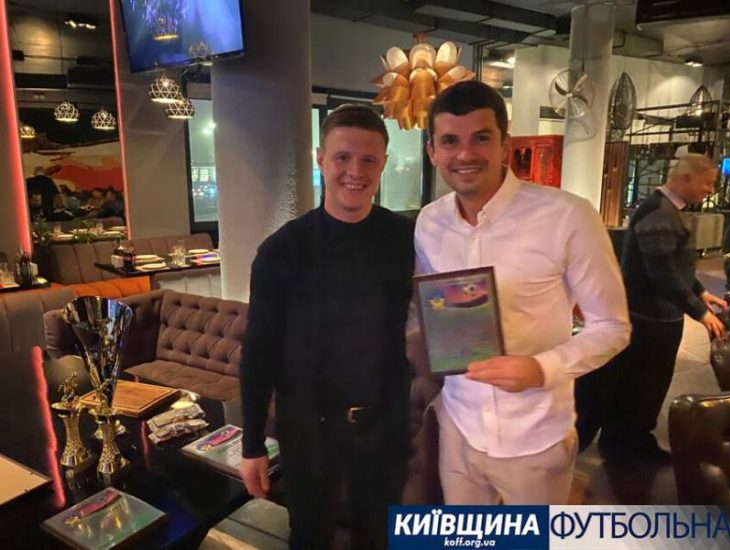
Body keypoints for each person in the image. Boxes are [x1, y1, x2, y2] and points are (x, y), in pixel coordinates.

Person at [414, 80, 630, 504]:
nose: (465, 154)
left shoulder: (567, 216)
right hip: (458, 425)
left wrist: (542, 367)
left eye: (481, 138)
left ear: (504, 145)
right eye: (450, 141)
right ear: (433, 151)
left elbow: (613, 326)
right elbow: (432, 306)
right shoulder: (429, 222)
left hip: (535, 436)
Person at [238, 104, 415, 549]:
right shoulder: (281, 251)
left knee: (379, 539)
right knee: (310, 538)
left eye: (369, 159)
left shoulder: (407, 239)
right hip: (308, 433)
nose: (355, 171)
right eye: (342, 157)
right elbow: (258, 354)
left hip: (385, 428)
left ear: (384, 164)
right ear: (320, 158)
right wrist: (252, 445)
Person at [575, 153, 726, 463]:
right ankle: (628, 445)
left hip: (655, 316)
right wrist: (698, 311)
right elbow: (661, 273)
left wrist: (700, 292)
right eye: (707, 183)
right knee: (645, 385)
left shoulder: (666, 210)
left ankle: (623, 441)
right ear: (686, 178)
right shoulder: (660, 213)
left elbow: (674, 264)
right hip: (649, 319)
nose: (710, 190)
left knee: (640, 383)